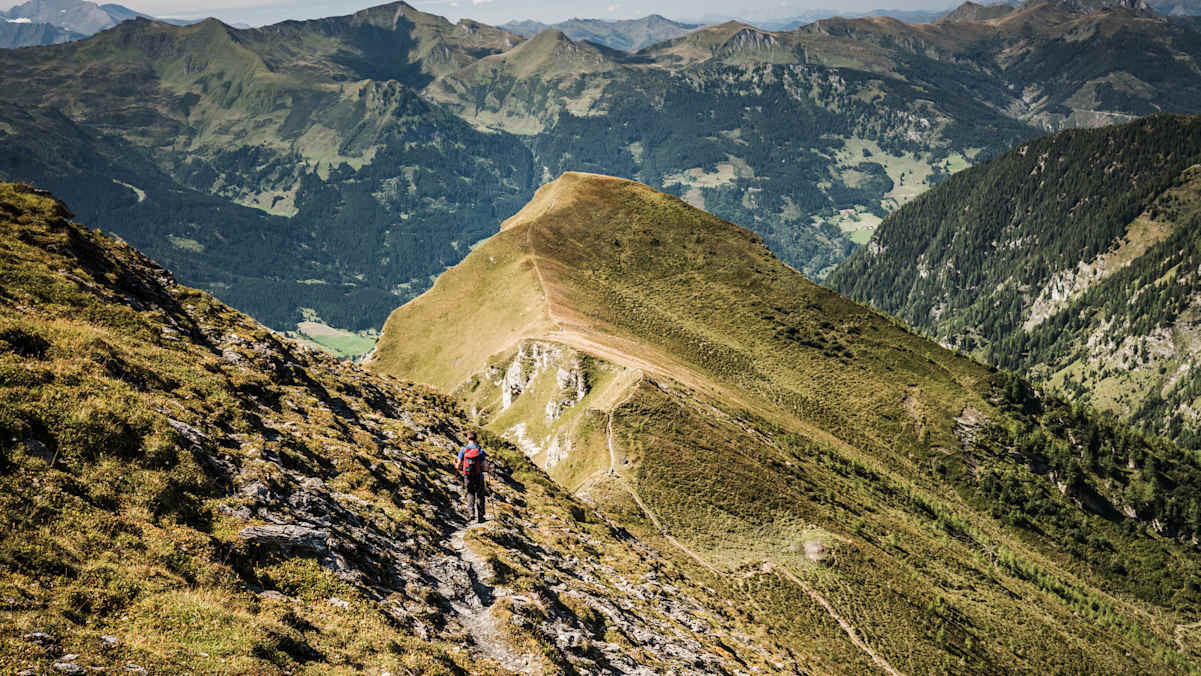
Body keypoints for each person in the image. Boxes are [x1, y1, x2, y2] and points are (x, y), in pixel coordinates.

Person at [456, 431, 487, 523]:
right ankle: (481, 517)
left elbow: (458, 466)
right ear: (476, 439)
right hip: (478, 475)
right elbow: (485, 466)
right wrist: (485, 469)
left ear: (467, 439)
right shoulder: (480, 450)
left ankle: (471, 513)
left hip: (468, 476)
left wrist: (456, 465)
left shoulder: (463, 450)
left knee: (470, 493)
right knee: (480, 495)